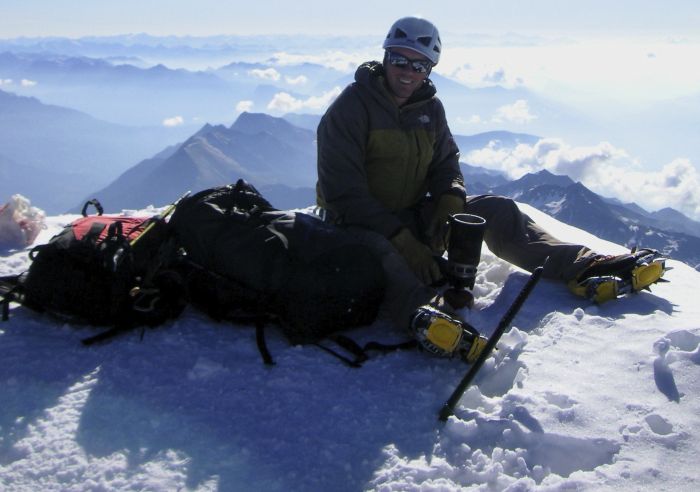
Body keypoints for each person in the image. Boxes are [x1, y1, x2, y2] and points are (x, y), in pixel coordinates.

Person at [315, 16, 666, 362]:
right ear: (385, 56)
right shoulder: (352, 108)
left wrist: (450, 198)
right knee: (382, 254)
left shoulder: (430, 108)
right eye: (400, 60)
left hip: (411, 216)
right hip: (355, 227)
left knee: (495, 209)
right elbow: (343, 192)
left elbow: (446, 162)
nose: (408, 72)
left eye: (420, 65)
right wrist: (402, 240)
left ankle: (582, 267)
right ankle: (428, 317)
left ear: (431, 69)